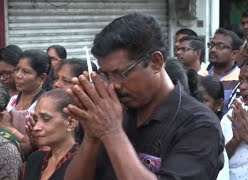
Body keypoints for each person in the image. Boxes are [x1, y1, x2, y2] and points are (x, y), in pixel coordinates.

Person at [64, 13, 224, 180]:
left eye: (121, 73)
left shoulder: (200, 125)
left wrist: (112, 132)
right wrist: (92, 136)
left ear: (156, 62)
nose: (113, 85)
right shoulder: (117, 110)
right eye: (107, 75)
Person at [24, 89, 79, 180]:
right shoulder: (35, 159)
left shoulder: (82, 165)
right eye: (36, 119)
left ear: (70, 122)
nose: (36, 127)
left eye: (46, 119)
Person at [198, 75, 229, 180]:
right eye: (196, 99)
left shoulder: (224, 125)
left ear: (219, 104)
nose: (197, 105)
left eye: (204, 100)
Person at [208, 28, 243, 113]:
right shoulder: (201, 75)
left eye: (220, 46)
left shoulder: (241, 79)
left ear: (234, 54)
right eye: (211, 45)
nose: (213, 50)